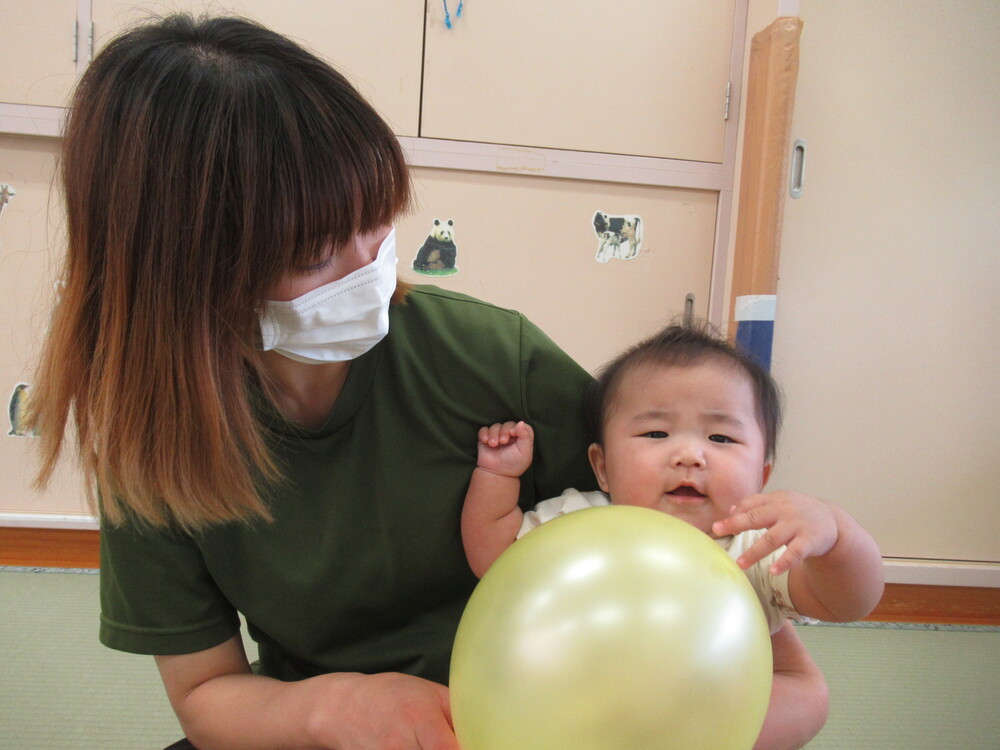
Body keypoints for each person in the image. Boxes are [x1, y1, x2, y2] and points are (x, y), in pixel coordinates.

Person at [26, 14, 600, 749]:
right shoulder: (157, 442)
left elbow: (684, 540)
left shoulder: (490, 357)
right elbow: (207, 695)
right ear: (187, 282)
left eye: (378, 221)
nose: (371, 269)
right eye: (315, 256)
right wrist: (338, 708)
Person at [462, 321, 885, 750]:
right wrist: (497, 475)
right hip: (585, 712)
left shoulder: (749, 548)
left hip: (708, 719)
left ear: (761, 476)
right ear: (603, 466)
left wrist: (835, 534)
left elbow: (848, 602)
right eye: (656, 434)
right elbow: (495, 563)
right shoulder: (576, 520)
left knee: (798, 705)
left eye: (721, 437)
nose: (689, 455)